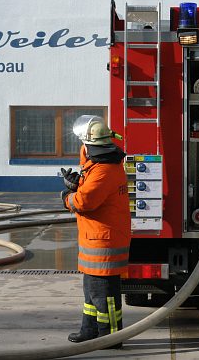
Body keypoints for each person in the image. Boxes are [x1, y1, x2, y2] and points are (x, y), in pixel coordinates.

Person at [61, 115, 131, 349]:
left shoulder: (103, 171)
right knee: (92, 294)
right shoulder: (102, 165)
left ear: (89, 145)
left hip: (103, 244)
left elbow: (84, 202)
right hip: (97, 241)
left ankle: (111, 337)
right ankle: (89, 330)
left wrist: (67, 196)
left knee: (105, 297)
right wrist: (78, 183)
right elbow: (91, 191)